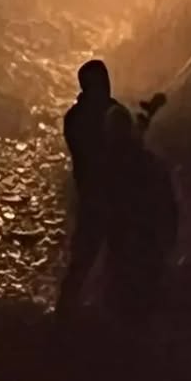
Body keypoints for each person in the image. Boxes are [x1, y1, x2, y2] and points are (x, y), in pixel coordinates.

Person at [55, 59, 124, 319]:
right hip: (101, 196)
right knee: (93, 254)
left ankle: (73, 312)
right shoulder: (103, 116)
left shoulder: (76, 117)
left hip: (97, 195)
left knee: (91, 256)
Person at [100, 103, 178, 324]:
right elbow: (169, 207)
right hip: (147, 250)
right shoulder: (151, 164)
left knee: (121, 313)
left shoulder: (108, 167)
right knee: (143, 312)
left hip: (126, 250)